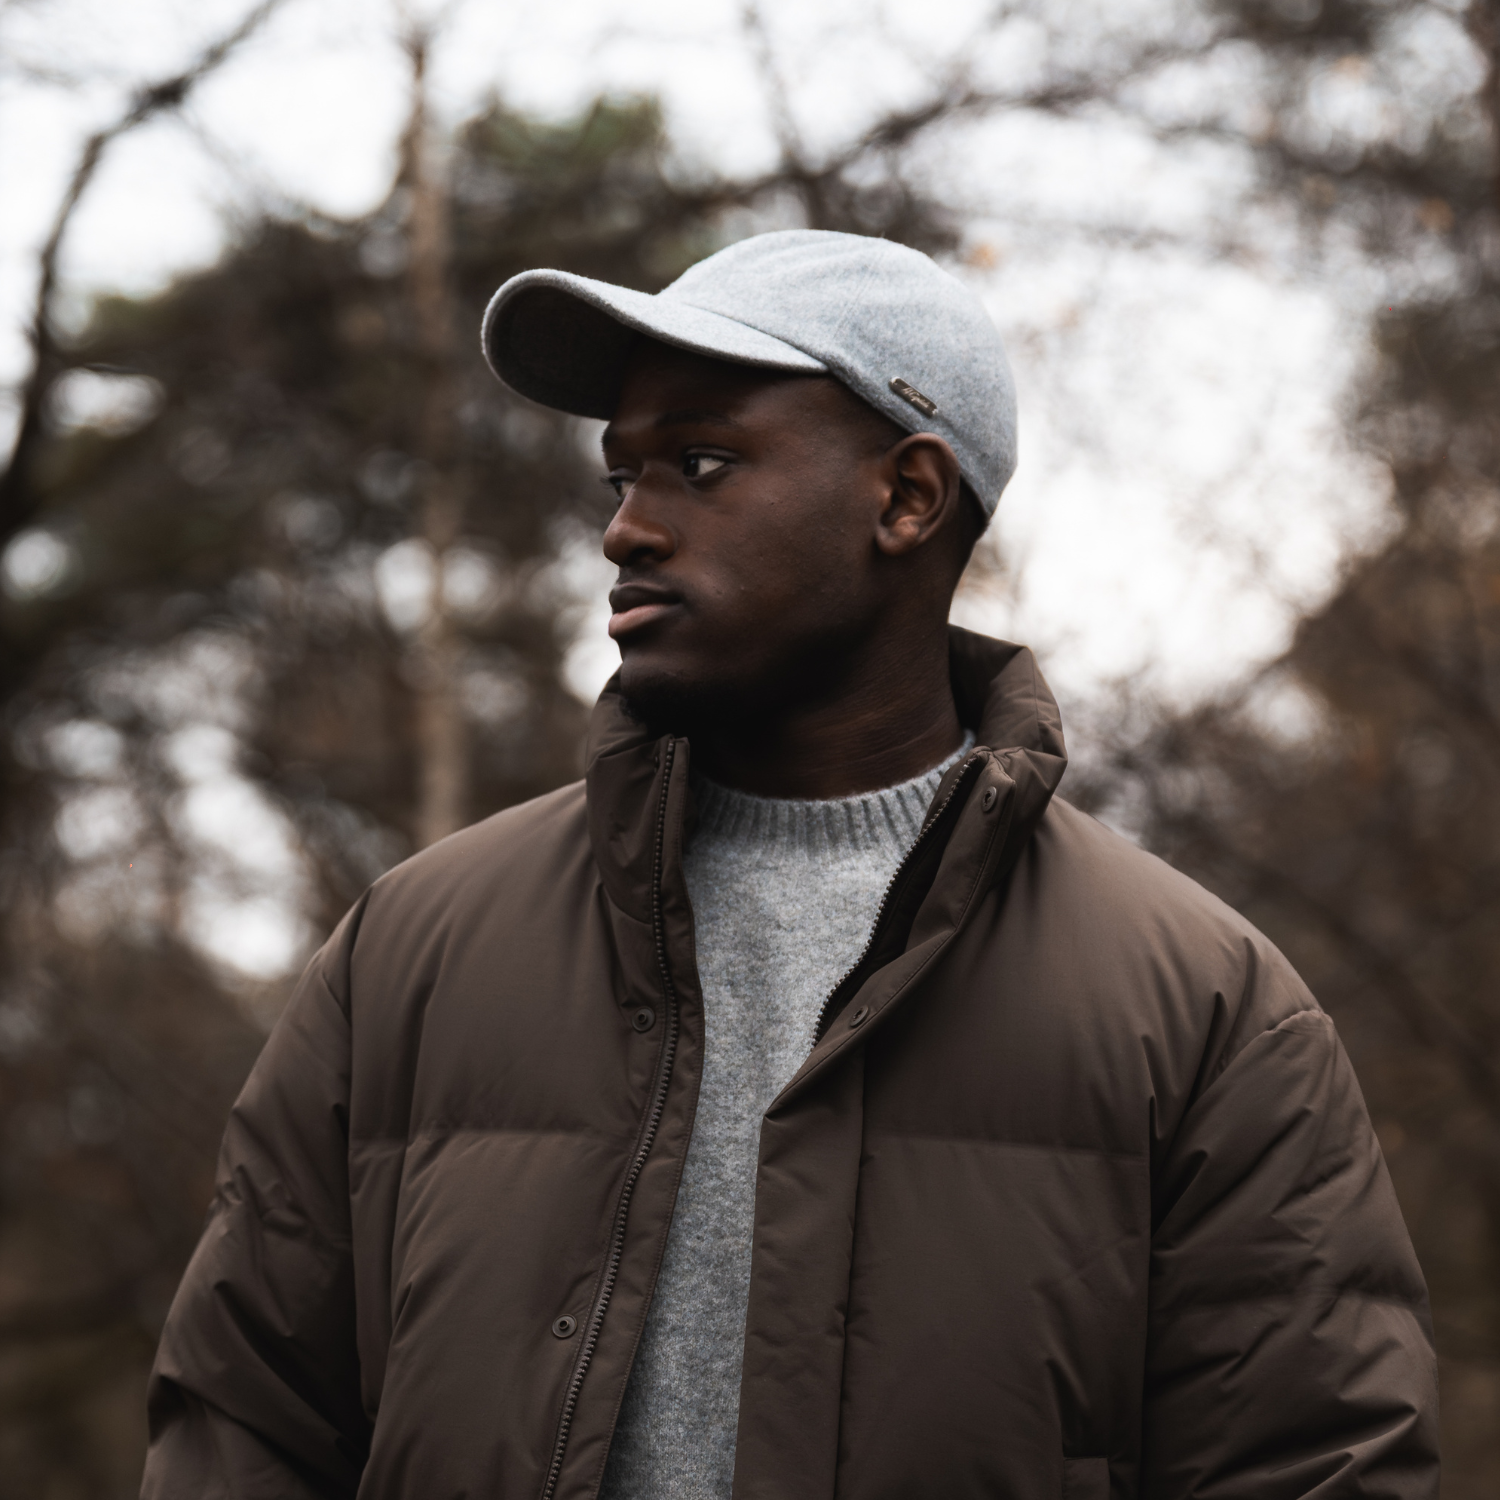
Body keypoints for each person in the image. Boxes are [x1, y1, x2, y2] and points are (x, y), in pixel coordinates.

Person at [141, 230, 1439, 1500]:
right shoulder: (410, 953)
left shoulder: (1203, 1009)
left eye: (700, 464)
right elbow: (241, 1427)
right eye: (621, 476)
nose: (625, 530)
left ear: (907, 498)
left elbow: (1316, 1464)